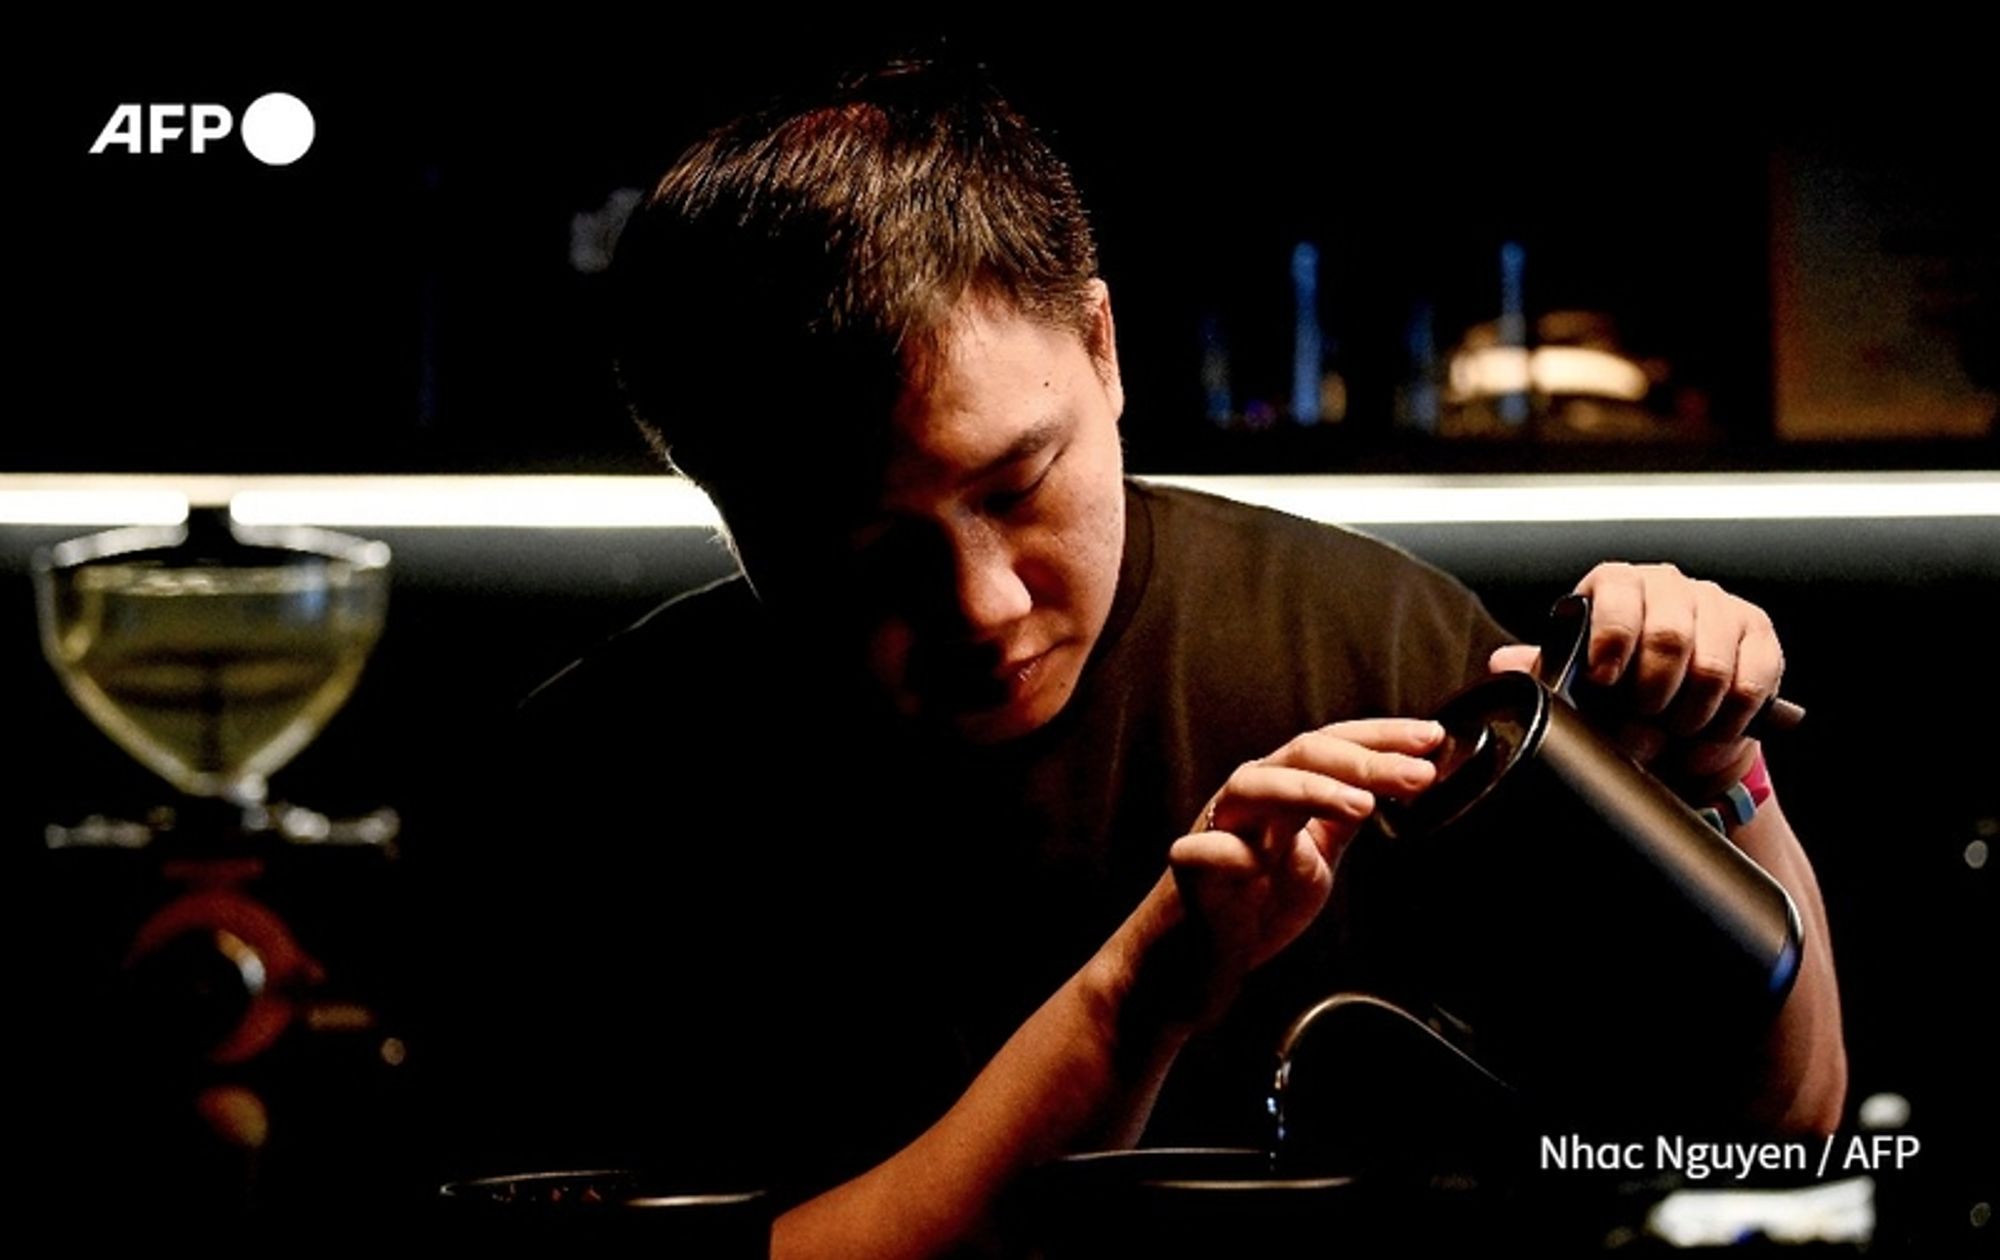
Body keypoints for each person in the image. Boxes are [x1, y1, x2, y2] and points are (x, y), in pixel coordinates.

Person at [447, 59, 1844, 1258]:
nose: (984, 605)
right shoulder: (594, 784)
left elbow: (1773, 1138)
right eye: (869, 554)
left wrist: (1726, 770)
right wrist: (1136, 1001)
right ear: (721, 502)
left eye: (1017, 483)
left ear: (1104, 351)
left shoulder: (1380, 645)